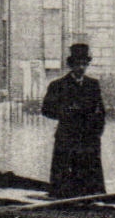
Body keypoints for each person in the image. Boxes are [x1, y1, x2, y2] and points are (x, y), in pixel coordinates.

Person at [40, 43, 107, 197]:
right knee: (63, 172)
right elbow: (46, 110)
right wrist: (65, 112)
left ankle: (94, 202)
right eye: (78, 64)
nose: (81, 68)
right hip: (67, 137)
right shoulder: (58, 85)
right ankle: (61, 202)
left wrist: (97, 131)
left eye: (84, 64)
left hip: (89, 139)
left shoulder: (93, 85)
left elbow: (101, 111)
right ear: (71, 65)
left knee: (91, 174)